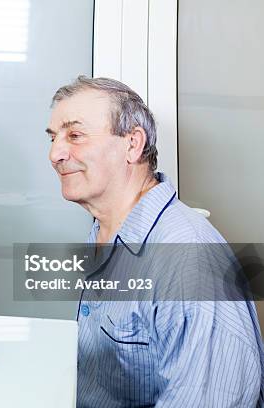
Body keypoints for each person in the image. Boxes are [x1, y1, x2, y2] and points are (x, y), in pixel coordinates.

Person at [46, 76, 264, 406]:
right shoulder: (104, 235)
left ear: (132, 144)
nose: (55, 154)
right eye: (53, 138)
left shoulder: (191, 261)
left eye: (74, 135)